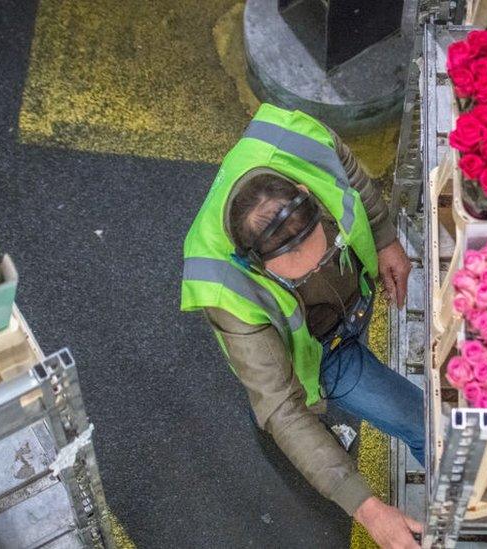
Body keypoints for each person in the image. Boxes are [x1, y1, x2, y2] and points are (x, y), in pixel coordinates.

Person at [181, 103, 425, 548]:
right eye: (297, 273)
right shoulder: (223, 289)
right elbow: (281, 406)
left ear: (303, 191)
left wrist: (385, 238)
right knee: (417, 420)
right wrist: (368, 509)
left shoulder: (296, 137)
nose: (316, 271)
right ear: (252, 263)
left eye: (325, 250)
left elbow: (350, 173)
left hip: (350, 306)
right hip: (323, 353)